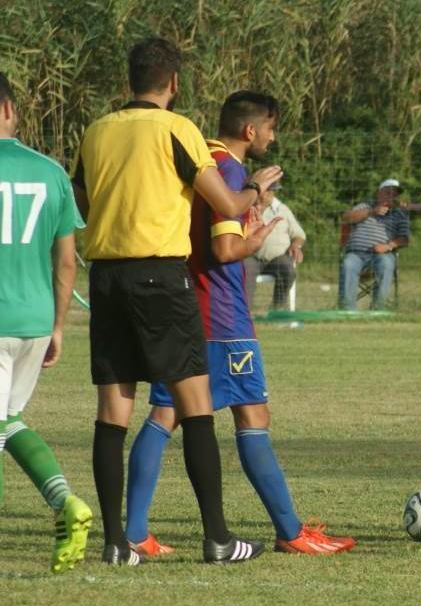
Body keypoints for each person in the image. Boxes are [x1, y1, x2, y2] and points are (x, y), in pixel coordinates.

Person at [70, 36, 277, 565]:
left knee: (112, 411)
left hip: (107, 278)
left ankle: (116, 543)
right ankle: (218, 538)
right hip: (161, 275)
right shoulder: (178, 129)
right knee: (196, 406)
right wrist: (255, 189)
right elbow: (225, 203)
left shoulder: (97, 131)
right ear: (174, 83)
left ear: (130, 79)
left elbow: (82, 202)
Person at [123, 91, 355, 558]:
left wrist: (252, 214)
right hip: (223, 316)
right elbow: (225, 250)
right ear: (251, 130)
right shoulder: (228, 171)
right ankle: (291, 531)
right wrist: (258, 235)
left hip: (182, 305)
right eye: (271, 127)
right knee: (252, 416)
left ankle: (134, 532)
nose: (273, 136)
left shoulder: (198, 161)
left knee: (165, 413)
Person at [0, 71, 93, 573]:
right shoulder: (51, 172)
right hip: (35, 320)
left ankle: (65, 504)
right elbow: (67, 262)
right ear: (9, 109)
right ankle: (65, 502)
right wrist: (57, 325)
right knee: (8, 422)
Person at [339, 179, 410, 310]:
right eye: (387, 192)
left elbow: (405, 239)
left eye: (394, 194)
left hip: (382, 254)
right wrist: (371, 212)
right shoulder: (365, 206)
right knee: (348, 264)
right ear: (379, 193)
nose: (391, 196)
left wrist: (388, 246)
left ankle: (377, 309)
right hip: (356, 254)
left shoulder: (400, 213)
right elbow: (346, 218)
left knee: (386, 264)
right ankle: (347, 310)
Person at [242, 183, 306, 312]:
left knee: (287, 268)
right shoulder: (246, 208)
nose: (272, 194)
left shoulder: (283, 209)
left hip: (277, 258)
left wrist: (296, 245)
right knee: (244, 268)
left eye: (273, 191)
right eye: (268, 190)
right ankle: (244, 311)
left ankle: (277, 308)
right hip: (252, 257)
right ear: (258, 192)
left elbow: (299, 234)